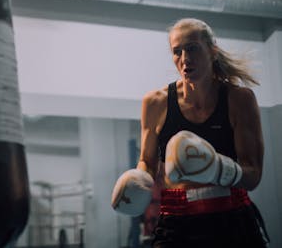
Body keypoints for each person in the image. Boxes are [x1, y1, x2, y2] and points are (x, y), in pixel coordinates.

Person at [112, 18, 269, 247]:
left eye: (192, 48)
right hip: (177, 221)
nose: (184, 59)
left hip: (231, 217)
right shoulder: (155, 102)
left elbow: (253, 175)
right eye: (177, 51)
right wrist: (139, 179)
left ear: (212, 50)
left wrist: (217, 169)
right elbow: (147, 160)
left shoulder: (239, 99)